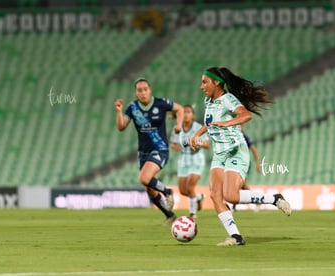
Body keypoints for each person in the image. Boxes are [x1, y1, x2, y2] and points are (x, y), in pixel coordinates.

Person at [190, 67, 291, 246]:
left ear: (217, 83)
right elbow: (211, 123)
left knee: (231, 196)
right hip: (219, 154)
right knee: (215, 195)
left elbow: (245, 115)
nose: (201, 86)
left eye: (205, 82)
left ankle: (274, 199)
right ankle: (236, 237)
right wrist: (198, 133)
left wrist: (227, 123)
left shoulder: (228, 99)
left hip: (236, 151)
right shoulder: (209, 101)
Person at [114, 77, 184, 226]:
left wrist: (178, 125)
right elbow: (121, 126)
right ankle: (170, 215)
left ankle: (168, 192)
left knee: (144, 178)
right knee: (150, 190)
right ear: (136, 93)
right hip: (143, 153)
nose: (143, 92)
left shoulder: (161, 103)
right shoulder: (132, 108)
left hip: (160, 149)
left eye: (145, 89)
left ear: (150, 90)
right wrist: (119, 112)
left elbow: (180, 109)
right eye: (140, 90)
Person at [169, 104, 210, 218]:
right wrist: (176, 147)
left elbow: (207, 144)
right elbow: (172, 143)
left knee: (190, 187)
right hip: (183, 160)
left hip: (196, 159)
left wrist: (199, 143)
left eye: (188, 112)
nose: (186, 114)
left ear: (192, 115)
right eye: (184, 112)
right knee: (182, 190)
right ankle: (198, 198)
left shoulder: (198, 127)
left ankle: (192, 212)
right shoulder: (177, 128)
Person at [231, 132, 262, 212]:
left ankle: (257, 200)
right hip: (235, 163)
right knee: (240, 185)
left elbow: (254, 150)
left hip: (244, 163)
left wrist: (258, 164)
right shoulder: (232, 135)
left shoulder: (244, 137)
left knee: (240, 184)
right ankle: (257, 200)